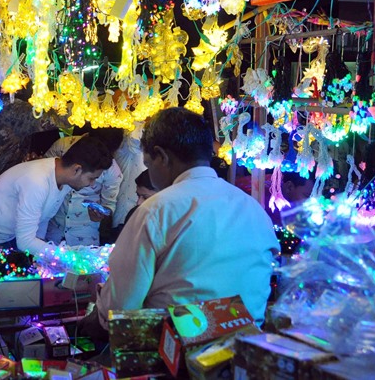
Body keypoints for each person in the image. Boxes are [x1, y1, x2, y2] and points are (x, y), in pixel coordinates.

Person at [84, 108, 278, 336]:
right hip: (247, 350)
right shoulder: (254, 209)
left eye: (147, 163)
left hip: (177, 354)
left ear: (162, 157)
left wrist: (88, 321)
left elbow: (119, 309)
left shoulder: (157, 210)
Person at [0, 136, 113, 254]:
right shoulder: (37, 181)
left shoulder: (63, 179)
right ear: (76, 169)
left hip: (8, 238)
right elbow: (25, 242)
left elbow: (42, 219)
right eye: (91, 178)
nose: (92, 184)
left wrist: (42, 249)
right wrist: (68, 257)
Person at [44, 129, 123, 246]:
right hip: (51, 228)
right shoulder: (63, 146)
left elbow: (109, 205)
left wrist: (100, 213)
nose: (92, 184)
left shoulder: (112, 170)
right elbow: (45, 175)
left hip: (84, 236)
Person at [235, 170, 316, 225]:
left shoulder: (275, 182)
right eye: (307, 196)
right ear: (289, 187)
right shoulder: (264, 200)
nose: (310, 202)